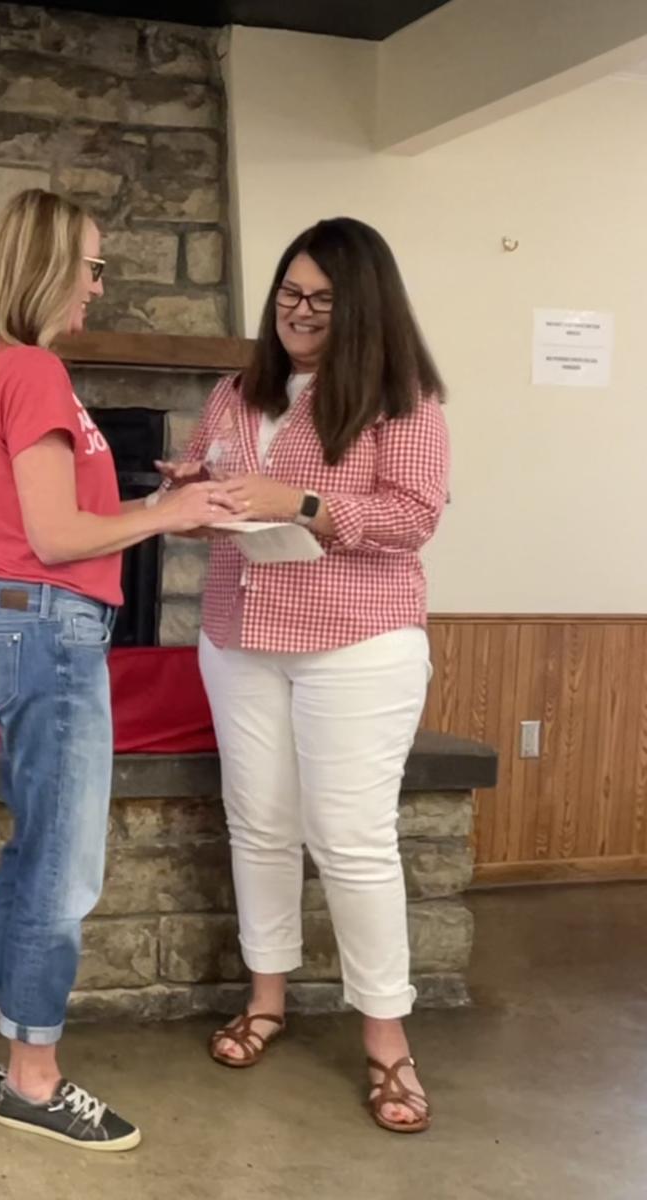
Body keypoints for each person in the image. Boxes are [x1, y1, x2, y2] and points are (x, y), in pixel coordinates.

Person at [0, 188, 239, 1151]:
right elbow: (56, 539)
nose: (100, 285)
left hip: (27, 627)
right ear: (49, 266)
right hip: (50, 631)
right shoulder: (36, 371)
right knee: (64, 872)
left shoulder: (6, 372)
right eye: (92, 266)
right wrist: (167, 518)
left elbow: (47, 522)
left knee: (34, 853)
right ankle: (35, 1076)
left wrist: (151, 494)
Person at [160, 217, 449, 1134]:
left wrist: (305, 503)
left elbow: (410, 518)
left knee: (352, 839)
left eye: (321, 300)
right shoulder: (237, 393)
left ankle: (388, 1044)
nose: (299, 312)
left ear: (362, 306)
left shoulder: (405, 400)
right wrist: (193, 497)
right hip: (240, 634)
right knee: (261, 827)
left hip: (356, 643)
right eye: (288, 295)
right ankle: (268, 998)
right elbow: (214, 487)